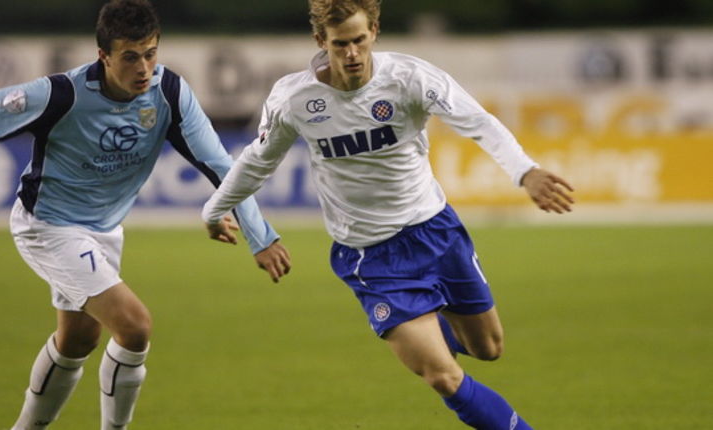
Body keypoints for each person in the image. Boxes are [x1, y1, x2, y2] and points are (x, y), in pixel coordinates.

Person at [202, 0, 574, 428]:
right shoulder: (295, 99)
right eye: (341, 44)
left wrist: (524, 171)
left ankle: (427, 324)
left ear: (374, 31)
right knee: (443, 376)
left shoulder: (410, 77)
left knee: (489, 347)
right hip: (373, 258)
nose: (353, 54)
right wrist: (214, 211)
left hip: (438, 232)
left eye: (360, 40)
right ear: (321, 41)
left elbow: (479, 122)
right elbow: (256, 161)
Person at [0, 1, 291, 428]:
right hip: (50, 226)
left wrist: (261, 236)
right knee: (134, 327)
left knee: (77, 340)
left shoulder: (169, 94)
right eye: (130, 56)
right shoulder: (62, 94)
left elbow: (222, 167)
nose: (144, 67)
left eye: (150, 53)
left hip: (106, 231)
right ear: (103, 56)